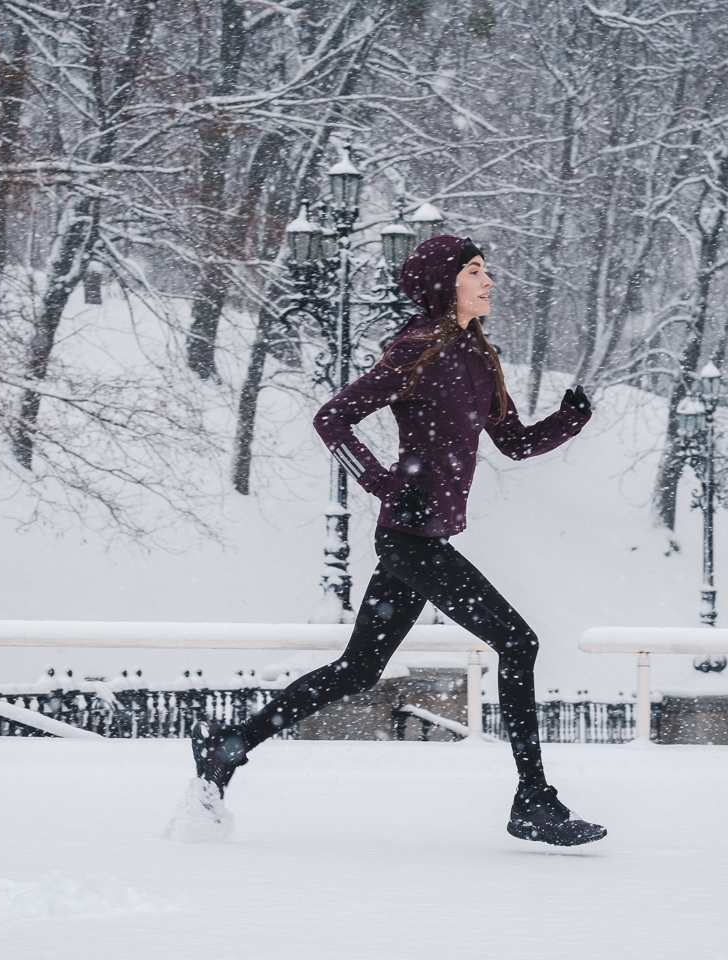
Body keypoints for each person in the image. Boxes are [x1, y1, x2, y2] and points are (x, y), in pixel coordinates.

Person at [192, 234, 605, 846]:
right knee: (519, 642)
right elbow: (331, 417)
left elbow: (513, 442)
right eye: (474, 271)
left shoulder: (479, 357)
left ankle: (230, 745)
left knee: (359, 670)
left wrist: (571, 419)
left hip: (420, 541)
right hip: (413, 542)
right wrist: (383, 483)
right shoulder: (416, 351)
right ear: (445, 284)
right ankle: (534, 801)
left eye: (486, 270)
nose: (488, 281)